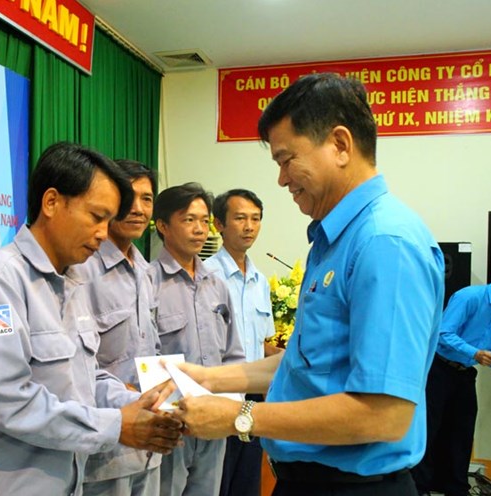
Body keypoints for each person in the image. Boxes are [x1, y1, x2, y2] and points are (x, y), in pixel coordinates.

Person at [170, 73, 445, 496]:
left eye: (286, 160)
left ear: (340, 145)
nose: (282, 179)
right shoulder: (334, 239)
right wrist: (208, 379)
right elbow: (305, 364)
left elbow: (384, 415)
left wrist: (240, 418)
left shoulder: (384, 243)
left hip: (354, 488)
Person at [0, 143, 182, 496]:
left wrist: (137, 402)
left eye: (108, 221)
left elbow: (84, 378)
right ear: (52, 202)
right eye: (96, 217)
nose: (103, 233)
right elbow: (8, 401)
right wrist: (115, 426)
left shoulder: (71, 282)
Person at [149, 182, 246, 496]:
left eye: (204, 221)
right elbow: (144, 358)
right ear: (163, 226)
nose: (200, 229)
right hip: (170, 426)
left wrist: (229, 410)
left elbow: (233, 355)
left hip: (213, 423)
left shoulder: (216, 285)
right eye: (189, 220)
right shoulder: (148, 283)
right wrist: (170, 414)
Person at [412, 256, 491, 496]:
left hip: (465, 375)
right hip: (440, 370)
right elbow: (443, 333)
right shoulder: (469, 297)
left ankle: (456, 488)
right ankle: (420, 488)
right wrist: (474, 352)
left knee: (462, 433)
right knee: (430, 430)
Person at [78, 159, 162, 496]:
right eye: (129, 197)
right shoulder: (83, 268)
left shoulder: (145, 270)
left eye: (147, 199)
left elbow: (151, 348)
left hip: (148, 446)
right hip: (105, 448)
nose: (138, 208)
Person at [203, 189, 280, 496]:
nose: (249, 226)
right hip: (219, 396)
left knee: (247, 485)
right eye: (240, 218)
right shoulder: (206, 275)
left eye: (255, 219)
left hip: (254, 400)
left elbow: (261, 343)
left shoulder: (260, 281)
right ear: (219, 224)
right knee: (215, 484)